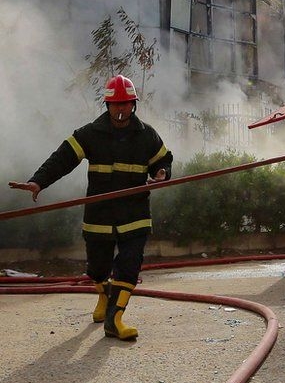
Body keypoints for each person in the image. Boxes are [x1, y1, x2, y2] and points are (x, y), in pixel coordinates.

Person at [9, 75, 173, 341]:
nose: (121, 110)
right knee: (98, 268)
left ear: (134, 104)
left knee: (130, 264)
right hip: (100, 216)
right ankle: (104, 294)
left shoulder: (147, 135)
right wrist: (38, 181)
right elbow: (62, 158)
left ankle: (115, 319)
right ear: (106, 105)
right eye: (116, 104)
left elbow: (162, 158)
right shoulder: (90, 134)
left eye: (126, 104)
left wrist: (162, 172)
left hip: (135, 215)